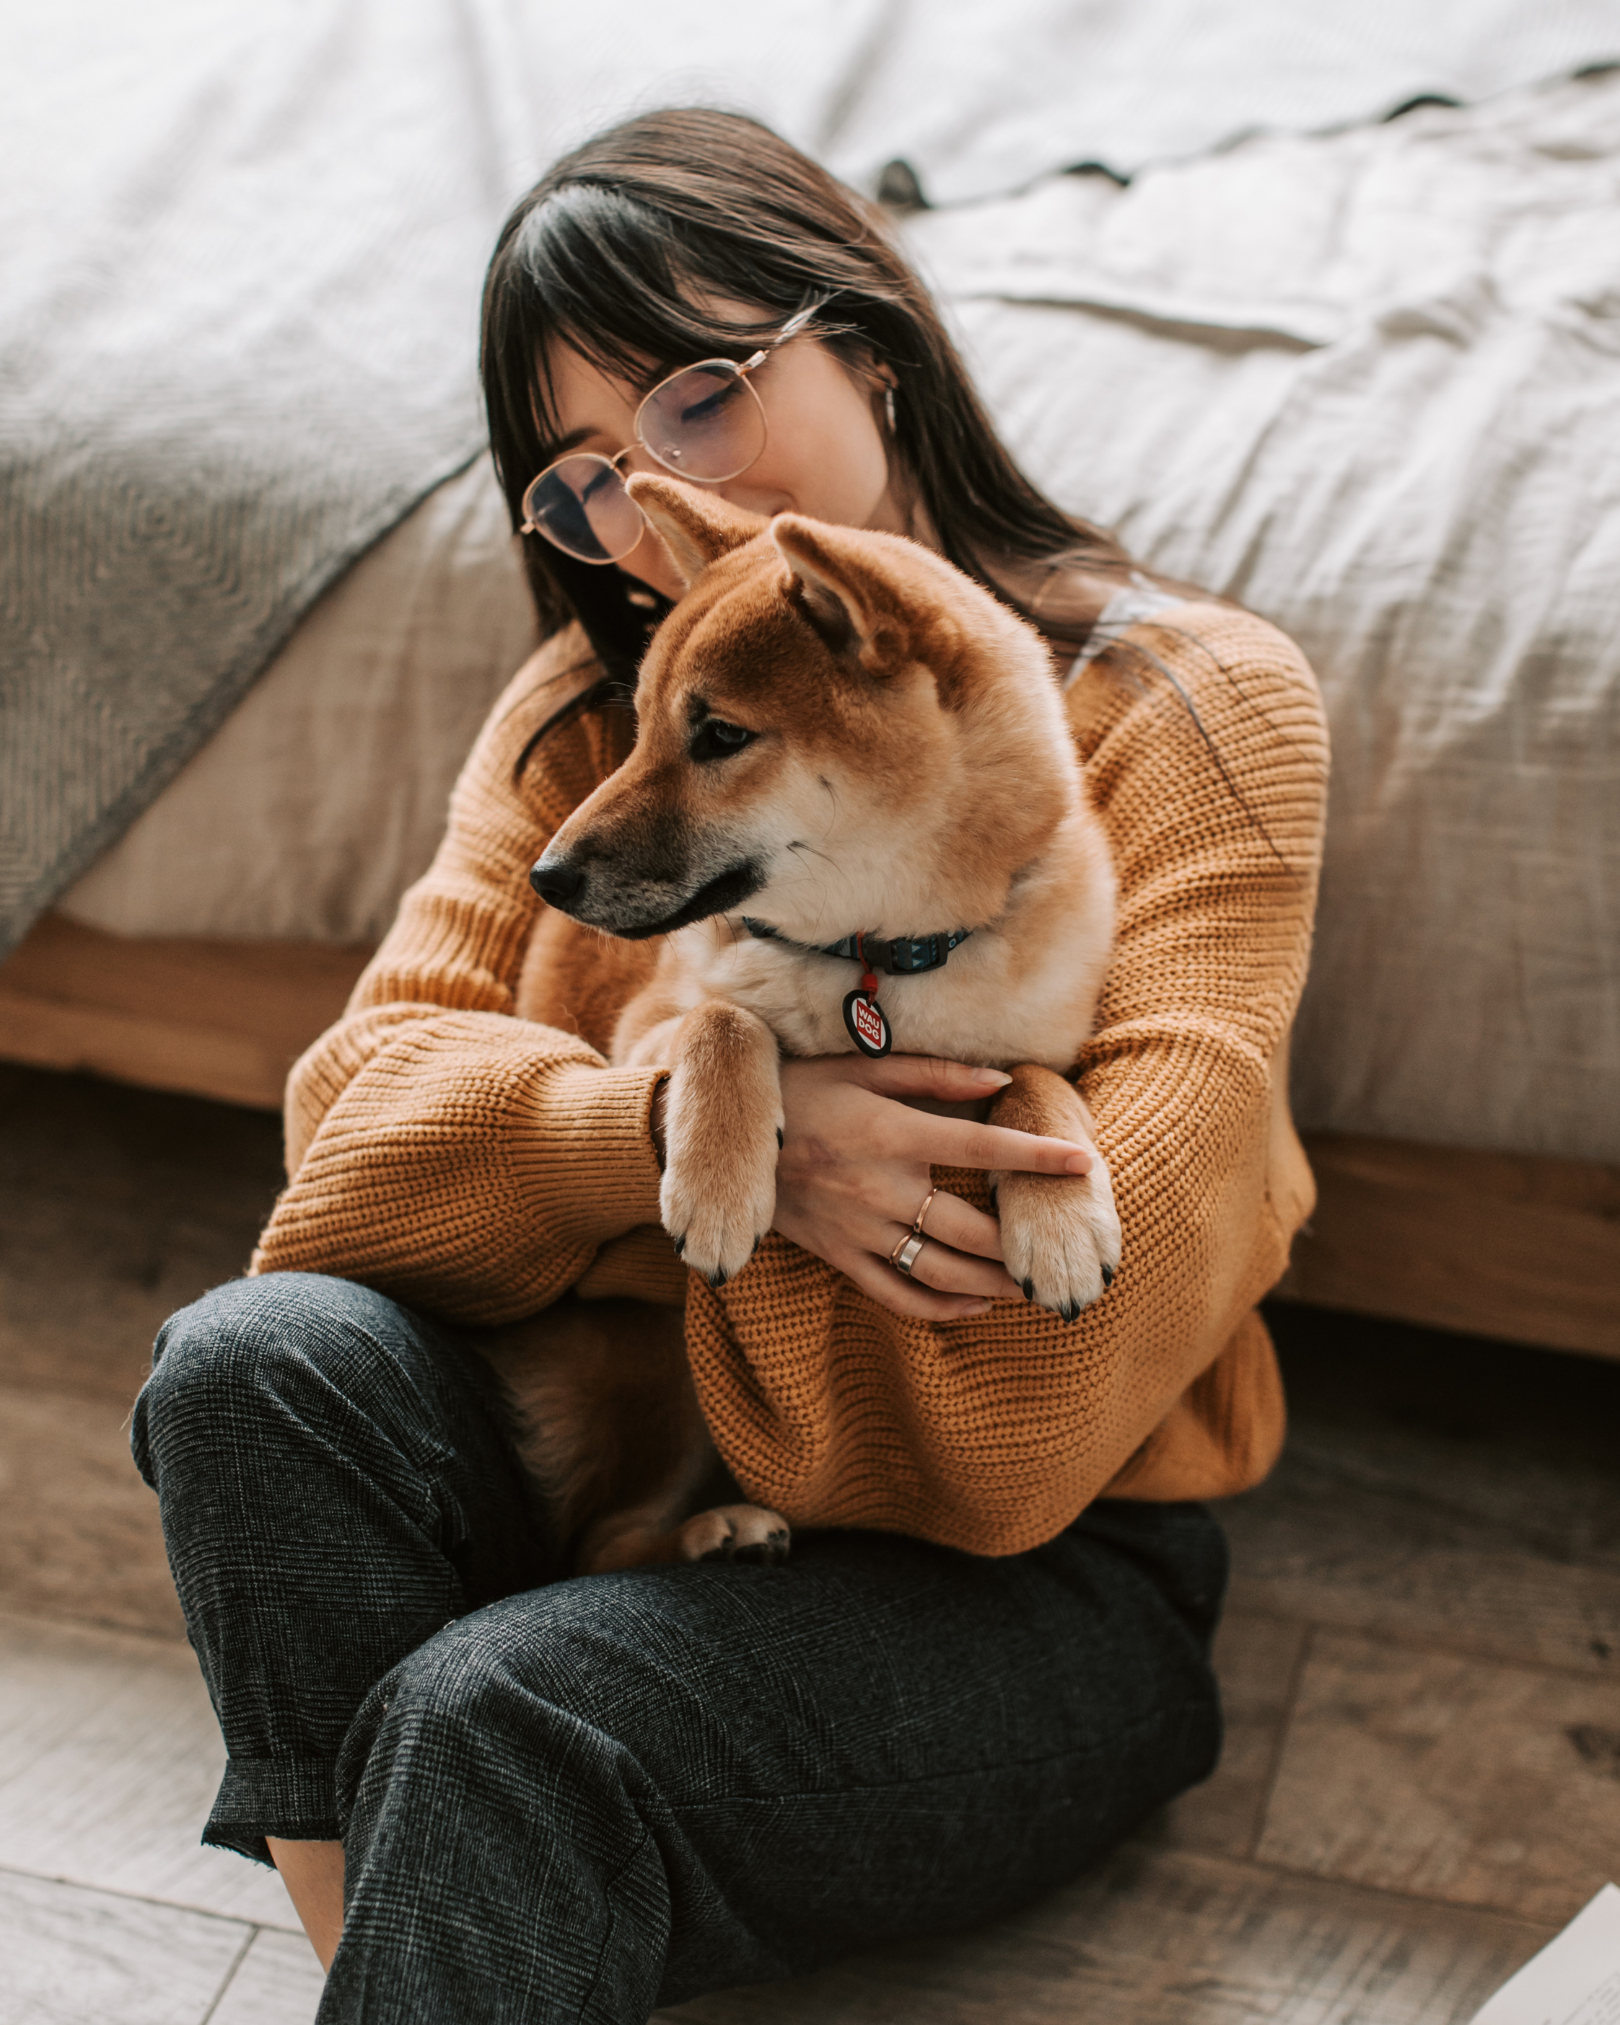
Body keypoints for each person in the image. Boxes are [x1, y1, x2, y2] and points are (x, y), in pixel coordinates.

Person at [132, 107, 1327, 2023]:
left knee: (494, 1713)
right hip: (636, 1468)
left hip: (1030, 1589)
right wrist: (683, 1129)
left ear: (874, 345)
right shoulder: (594, 730)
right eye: (581, 472)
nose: (642, 505)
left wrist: (683, 1202)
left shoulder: (1194, 712)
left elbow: (1033, 1401)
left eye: (694, 401)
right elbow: (341, 1152)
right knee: (248, 1372)